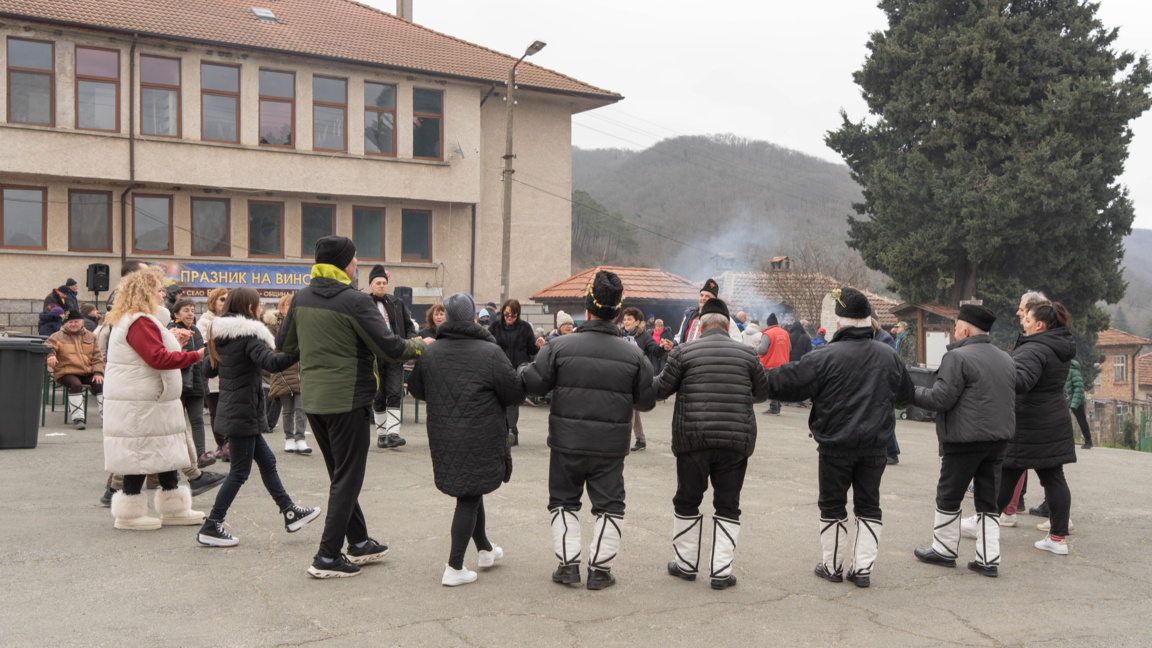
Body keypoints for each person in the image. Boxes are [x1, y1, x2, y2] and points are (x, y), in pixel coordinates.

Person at [277, 235, 427, 579]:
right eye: (355, 258)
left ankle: (358, 542)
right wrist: (421, 345)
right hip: (348, 400)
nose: (357, 263)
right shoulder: (354, 300)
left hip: (315, 402)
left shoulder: (301, 298)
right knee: (348, 478)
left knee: (340, 475)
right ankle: (327, 556)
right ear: (345, 263)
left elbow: (285, 344)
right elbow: (390, 348)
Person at [767, 287, 914, 588]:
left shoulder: (824, 356)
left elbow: (787, 384)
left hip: (835, 444)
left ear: (839, 321)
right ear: (868, 320)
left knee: (832, 505)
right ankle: (862, 570)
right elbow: (904, 397)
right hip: (875, 445)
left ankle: (832, 566)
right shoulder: (889, 355)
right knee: (869, 505)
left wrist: (746, 373)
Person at [520, 270, 657, 591]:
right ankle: (599, 570)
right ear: (618, 313)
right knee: (610, 505)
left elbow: (535, 384)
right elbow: (647, 401)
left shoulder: (558, 346)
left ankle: (568, 566)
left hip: (566, 441)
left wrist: (521, 369)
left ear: (588, 310)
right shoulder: (634, 354)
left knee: (563, 501)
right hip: (611, 445)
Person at [407, 293, 522, 586]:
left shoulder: (431, 351)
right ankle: (454, 566)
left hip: (444, 432)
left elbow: (416, 389)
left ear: (447, 316)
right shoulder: (491, 352)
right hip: (480, 432)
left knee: (471, 489)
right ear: (472, 317)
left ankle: (485, 549)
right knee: (469, 495)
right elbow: (513, 393)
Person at [657, 297, 770, 590]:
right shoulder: (748, 354)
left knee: (687, 500)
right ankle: (721, 572)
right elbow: (762, 393)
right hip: (735, 441)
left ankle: (685, 565)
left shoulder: (683, 352)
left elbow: (661, 389)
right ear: (728, 324)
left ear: (700, 324)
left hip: (693, 439)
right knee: (728, 504)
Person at [196, 287, 321, 548]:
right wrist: (303, 349)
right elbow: (272, 364)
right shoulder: (248, 335)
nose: (262, 308)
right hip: (242, 414)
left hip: (235, 411)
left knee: (267, 461)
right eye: (259, 304)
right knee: (239, 472)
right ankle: (211, 525)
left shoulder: (219, 334)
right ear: (250, 307)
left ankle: (290, 512)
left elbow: (207, 369)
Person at [910, 305, 1016, 578]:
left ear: (966, 330)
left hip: (964, 439)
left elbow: (940, 399)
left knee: (949, 494)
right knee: (988, 500)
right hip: (998, 439)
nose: (954, 330)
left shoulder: (956, 357)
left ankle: (944, 550)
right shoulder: (1005, 358)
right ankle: (988, 559)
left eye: (956, 326)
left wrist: (910, 391)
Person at [102, 268, 207, 531]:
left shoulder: (138, 320)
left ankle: (174, 508)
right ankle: (129, 514)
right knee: (139, 455)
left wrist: (175, 344)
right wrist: (196, 355)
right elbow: (157, 359)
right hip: (141, 400)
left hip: (148, 399)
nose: (163, 295)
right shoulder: (140, 321)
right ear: (146, 293)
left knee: (163, 452)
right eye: (159, 290)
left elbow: (152, 353)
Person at [982, 302, 1078, 556]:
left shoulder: (1035, 347)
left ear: (1039, 325)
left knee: (1008, 473)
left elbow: (1021, 381)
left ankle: (985, 524)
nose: (1023, 322)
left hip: (1029, 424)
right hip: (1052, 420)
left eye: (1027, 319)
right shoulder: (1058, 346)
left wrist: (999, 366)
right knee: (1052, 477)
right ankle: (1057, 538)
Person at [367, 264, 418, 449]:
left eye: (384, 283)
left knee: (395, 392)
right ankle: (382, 436)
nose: (382, 286)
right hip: (374, 356)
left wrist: (412, 338)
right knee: (379, 395)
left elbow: (409, 325)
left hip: (395, 354)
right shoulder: (365, 303)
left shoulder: (397, 303)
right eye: (378, 283)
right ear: (371, 285)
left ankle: (393, 434)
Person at [490, 298, 542, 446]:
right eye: (507, 314)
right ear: (502, 313)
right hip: (499, 369)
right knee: (499, 402)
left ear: (518, 314)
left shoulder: (525, 328)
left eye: (513, 315)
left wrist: (538, 346)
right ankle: (504, 431)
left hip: (518, 370)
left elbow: (531, 350)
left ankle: (511, 431)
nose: (510, 318)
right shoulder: (494, 327)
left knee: (513, 402)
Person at [169, 298, 214, 468]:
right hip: (179, 384)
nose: (190, 314)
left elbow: (202, 357)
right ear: (176, 314)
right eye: (186, 310)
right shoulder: (171, 330)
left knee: (197, 421)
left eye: (192, 310)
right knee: (176, 424)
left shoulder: (195, 330)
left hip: (196, 383)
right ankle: (176, 460)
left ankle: (200, 455)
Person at [263, 295, 310, 455]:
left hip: (301, 371)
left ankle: (301, 438)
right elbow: (271, 348)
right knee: (287, 409)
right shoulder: (272, 326)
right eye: (288, 304)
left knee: (301, 407)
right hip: (282, 370)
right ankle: (289, 438)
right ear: (281, 307)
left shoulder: (304, 322)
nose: (291, 307)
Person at [45, 310, 105, 429]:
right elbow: (48, 347)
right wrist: (50, 355)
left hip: (87, 371)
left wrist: (98, 372)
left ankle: (107, 418)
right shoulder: (57, 336)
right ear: (66, 323)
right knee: (75, 384)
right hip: (66, 372)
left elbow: (98, 356)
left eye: (76, 322)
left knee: (101, 383)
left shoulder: (91, 336)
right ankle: (78, 419)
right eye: (70, 322)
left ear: (82, 322)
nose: (73, 324)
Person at [620, 306, 666, 452]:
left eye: (629, 319)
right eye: (624, 319)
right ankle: (641, 440)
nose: (626, 322)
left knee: (630, 409)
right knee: (634, 409)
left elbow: (656, 351)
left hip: (637, 377)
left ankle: (623, 441)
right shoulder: (619, 335)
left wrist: (662, 347)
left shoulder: (644, 336)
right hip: (621, 375)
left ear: (637, 322)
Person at [198, 287, 230, 461]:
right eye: (221, 299)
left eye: (227, 299)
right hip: (213, 372)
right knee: (216, 411)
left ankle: (230, 445)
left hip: (229, 373)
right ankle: (222, 445)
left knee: (230, 411)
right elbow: (205, 346)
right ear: (213, 301)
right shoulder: (205, 321)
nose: (225, 303)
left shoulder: (230, 319)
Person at [673, 278, 740, 345]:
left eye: (707, 296)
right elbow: (679, 337)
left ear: (714, 300)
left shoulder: (723, 318)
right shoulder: (689, 316)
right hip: (687, 351)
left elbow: (737, 340)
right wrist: (673, 344)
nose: (703, 298)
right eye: (701, 295)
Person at [756, 313, 790, 414]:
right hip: (783, 364)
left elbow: (762, 349)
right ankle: (777, 407)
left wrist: (755, 348)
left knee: (772, 386)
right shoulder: (785, 333)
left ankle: (774, 408)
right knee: (778, 386)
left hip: (771, 364)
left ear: (768, 324)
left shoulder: (768, 333)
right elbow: (790, 348)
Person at [1066, 358, 1092, 450]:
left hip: (1077, 402)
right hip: (1069, 400)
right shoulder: (1066, 371)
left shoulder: (1074, 372)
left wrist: (1074, 403)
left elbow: (1079, 388)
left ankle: (1088, 441)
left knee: (1081, 421)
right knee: (1065, 422)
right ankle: (1067, 441)